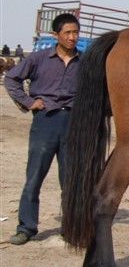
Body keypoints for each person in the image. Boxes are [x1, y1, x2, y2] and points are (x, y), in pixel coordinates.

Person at [4, 13, 81, 245]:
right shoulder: (38, 59)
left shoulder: (85, 62)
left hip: (73, 125)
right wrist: (29, 102)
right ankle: (26, 227)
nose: (72, 37)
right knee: (34, 177)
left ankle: (70, 228)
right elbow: (11, 79)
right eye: (67, 33)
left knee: (70, 180)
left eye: (76, 32)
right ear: (55, 35)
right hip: (45, 122)